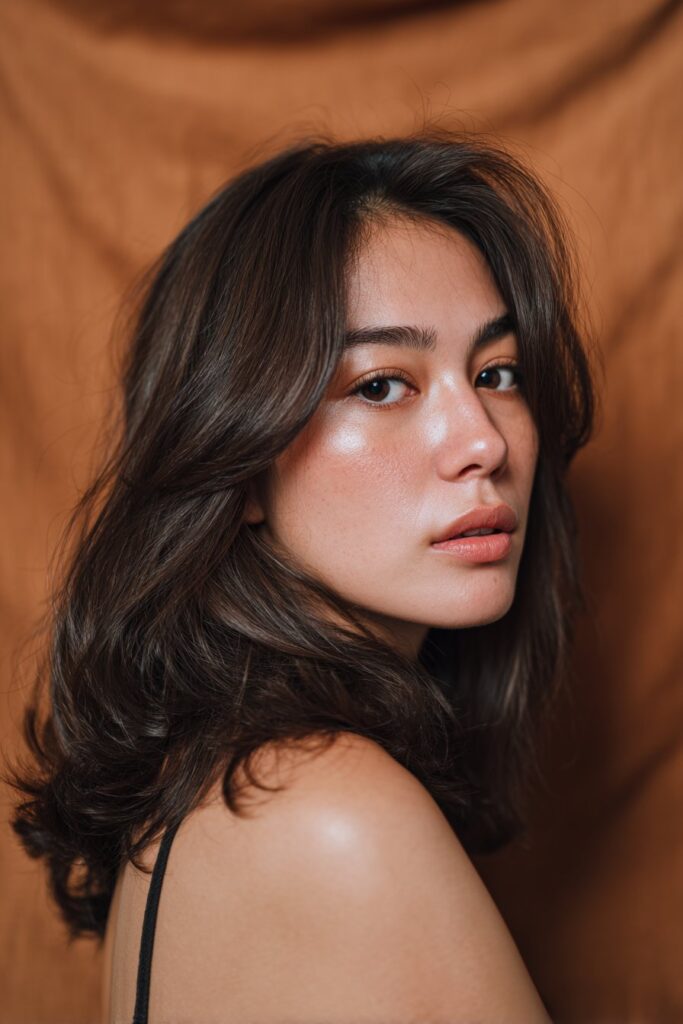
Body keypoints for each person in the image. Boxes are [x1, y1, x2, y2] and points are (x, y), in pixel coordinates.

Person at [7, 130, 597, 1022]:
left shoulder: (227, 782)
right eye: (380, 386)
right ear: (237, 461)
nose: (483, 441)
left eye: (495, 371)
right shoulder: (325, 810)